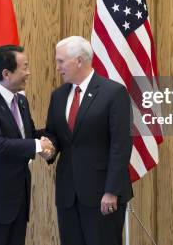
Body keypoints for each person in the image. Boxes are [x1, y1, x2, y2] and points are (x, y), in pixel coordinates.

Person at [44, 36, 133, 245]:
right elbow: (54, 133)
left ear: (79, 60)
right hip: (68, 195)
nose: (57, 67)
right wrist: (48, 147)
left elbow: (121, 145)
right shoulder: (58, 96)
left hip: (103, 195)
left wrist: (111, 190)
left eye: (60, 61)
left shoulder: (113, 93)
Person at [0, 45, 54, 245]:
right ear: (6, 73)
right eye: (24, 67)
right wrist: (37, 146)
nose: (29, 72)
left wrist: (56, 136)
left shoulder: (21, 101)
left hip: (18, 199)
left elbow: (28, 135)